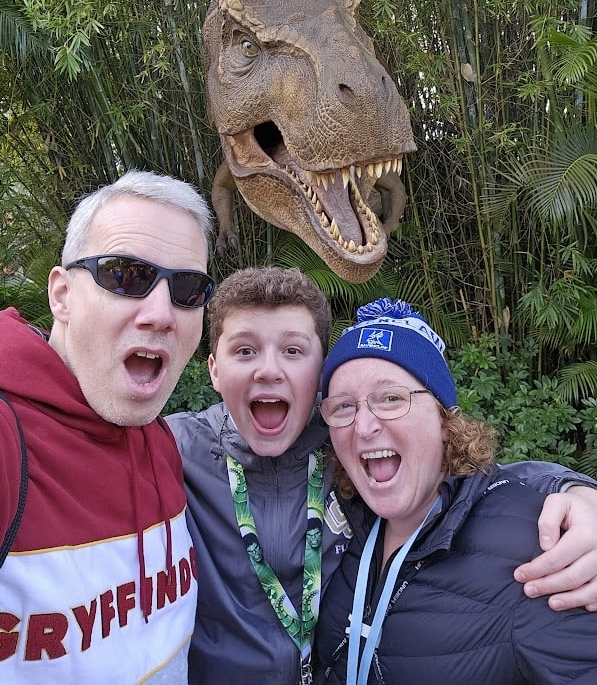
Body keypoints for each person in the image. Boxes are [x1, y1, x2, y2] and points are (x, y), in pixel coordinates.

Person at [168, 266, 597, 685]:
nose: (365, 425)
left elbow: (479, 481)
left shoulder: (342, 450)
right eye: (245, 351)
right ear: (213, 370)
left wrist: (573, 489)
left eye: (392, 399)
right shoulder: (172, 450)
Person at [0, 169, 215, 683]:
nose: (161, 314)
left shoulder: (161, 443)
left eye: (188, 289)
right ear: (61, 295)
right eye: (126, 275)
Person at [314, 298, 597, 684]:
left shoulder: (537, 551)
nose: (364, 427)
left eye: (392, 398)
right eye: (344, 406)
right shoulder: (338, 525)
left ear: (445, 420)